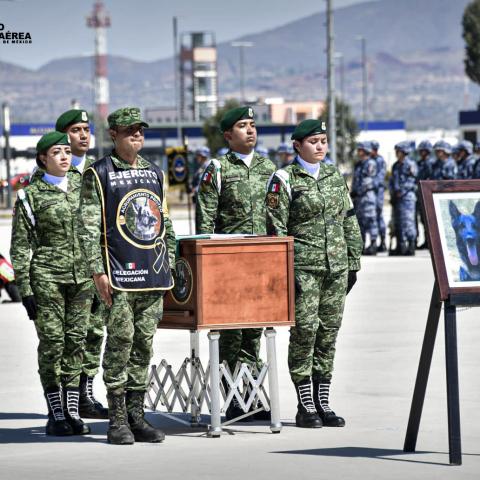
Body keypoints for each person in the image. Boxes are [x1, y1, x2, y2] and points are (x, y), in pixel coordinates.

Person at [78, 107, 176, 445]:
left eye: (140, 129)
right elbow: (88, 228)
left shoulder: (154, 172)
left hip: (152, 274)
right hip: (119, 276)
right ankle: (117, 420)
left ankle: (137, 416)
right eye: (129, 130)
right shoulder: (99, 174)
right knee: (120, 343)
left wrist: (171, 261)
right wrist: (97, 271)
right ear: (114, 135)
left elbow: (165, 221)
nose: (137, 134)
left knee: (143, 346)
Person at [265, 119, 362, 428]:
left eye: (323, 140)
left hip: (336, 267)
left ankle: (323, 401)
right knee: (305, 332)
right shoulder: (284, 178)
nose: (320, 146)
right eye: (313, 142)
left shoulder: (335, 175)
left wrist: (354, 261)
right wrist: (284, 270)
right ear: (297, 146)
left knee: (328, 333)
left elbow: (348, 219)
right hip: (304, 269)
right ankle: (304, 403)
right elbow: (275, 229)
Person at [195, 106, 276, 421]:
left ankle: (251, 395)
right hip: (229, 265)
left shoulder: (268, 167)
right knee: (230, 334)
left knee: (254, 333)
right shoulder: (217, 168)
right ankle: (228, 397)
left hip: (262, 265)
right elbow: (206, 218)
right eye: (243, 126)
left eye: (253, 125)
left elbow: (276, 216)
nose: (250, 130)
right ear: (228, 135)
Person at [10, 131, 93, 436]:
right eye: (56, 152)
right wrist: (25, 290)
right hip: (46, 279)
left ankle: (72, 411)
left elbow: (95, 234)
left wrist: (98, 275)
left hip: (82, 278)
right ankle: (55, 412)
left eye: (66, 151)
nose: (64, 156)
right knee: (52, 344)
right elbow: (20, 246)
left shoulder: (84, 188)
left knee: (76, 343)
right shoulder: (30, 195)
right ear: (43, 158)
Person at [55, 109, 108, 419]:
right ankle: (66, 396)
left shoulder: (98, 171)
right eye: (76, 130)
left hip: (96, 268)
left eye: (87, 129)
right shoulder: (53, 176)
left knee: (95, 332)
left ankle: (86, 392)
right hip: (65, 269)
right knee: (68, 336)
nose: (84, 135)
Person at [390, 141, 418, 256]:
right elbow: (392, 181)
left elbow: (412, 181)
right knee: (398, 222)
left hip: (407, 198)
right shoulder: (395, 166)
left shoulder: (411, 165)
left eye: (399, 151)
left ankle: (411, 245)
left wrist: (401, 191)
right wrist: (393, 193)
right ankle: (401, 246)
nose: (397, 153)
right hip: (397, 198)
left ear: (404, 152)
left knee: (408, 221)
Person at [351, 141, 378, 255]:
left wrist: (358, 191)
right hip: (358, 198)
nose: (358, 152)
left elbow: (368, 181)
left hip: (367, 197)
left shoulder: (370, 163)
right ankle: (362, 244)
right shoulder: (359, 164)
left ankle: (373, 244)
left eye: (360, 150)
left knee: (370, 220)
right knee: (360, 222)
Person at [415, 140, 433, 249]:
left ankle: (430, 241)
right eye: (421, 151)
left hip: (426, 194)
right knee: (422, 219)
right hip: (418, 194)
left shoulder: (430, 163)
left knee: (428, 219)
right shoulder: (419, 163)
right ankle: (426, 241)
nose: (422, 153)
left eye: (424, 151)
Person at [370, 140, 387, 252]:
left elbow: (380, 177)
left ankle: (383, 242)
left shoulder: (380, 161)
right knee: (374, 217)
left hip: (378, 192)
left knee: (379, 216)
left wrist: (370, 184)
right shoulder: (371, 160)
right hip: (372, 193)